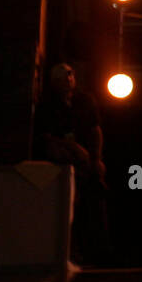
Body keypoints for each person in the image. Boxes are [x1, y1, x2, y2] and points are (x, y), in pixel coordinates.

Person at [34, 62, 111, 265]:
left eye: (70, 75)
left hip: (86, 160)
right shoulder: (48, 105)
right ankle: (71, 249)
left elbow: (95, 130)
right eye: (62, 77)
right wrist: (74, 148)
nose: (68, 80)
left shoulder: (84, 101)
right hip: (65, 162)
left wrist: (96, 157)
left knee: (95, 197)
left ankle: (98, 249)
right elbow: (47, 138)